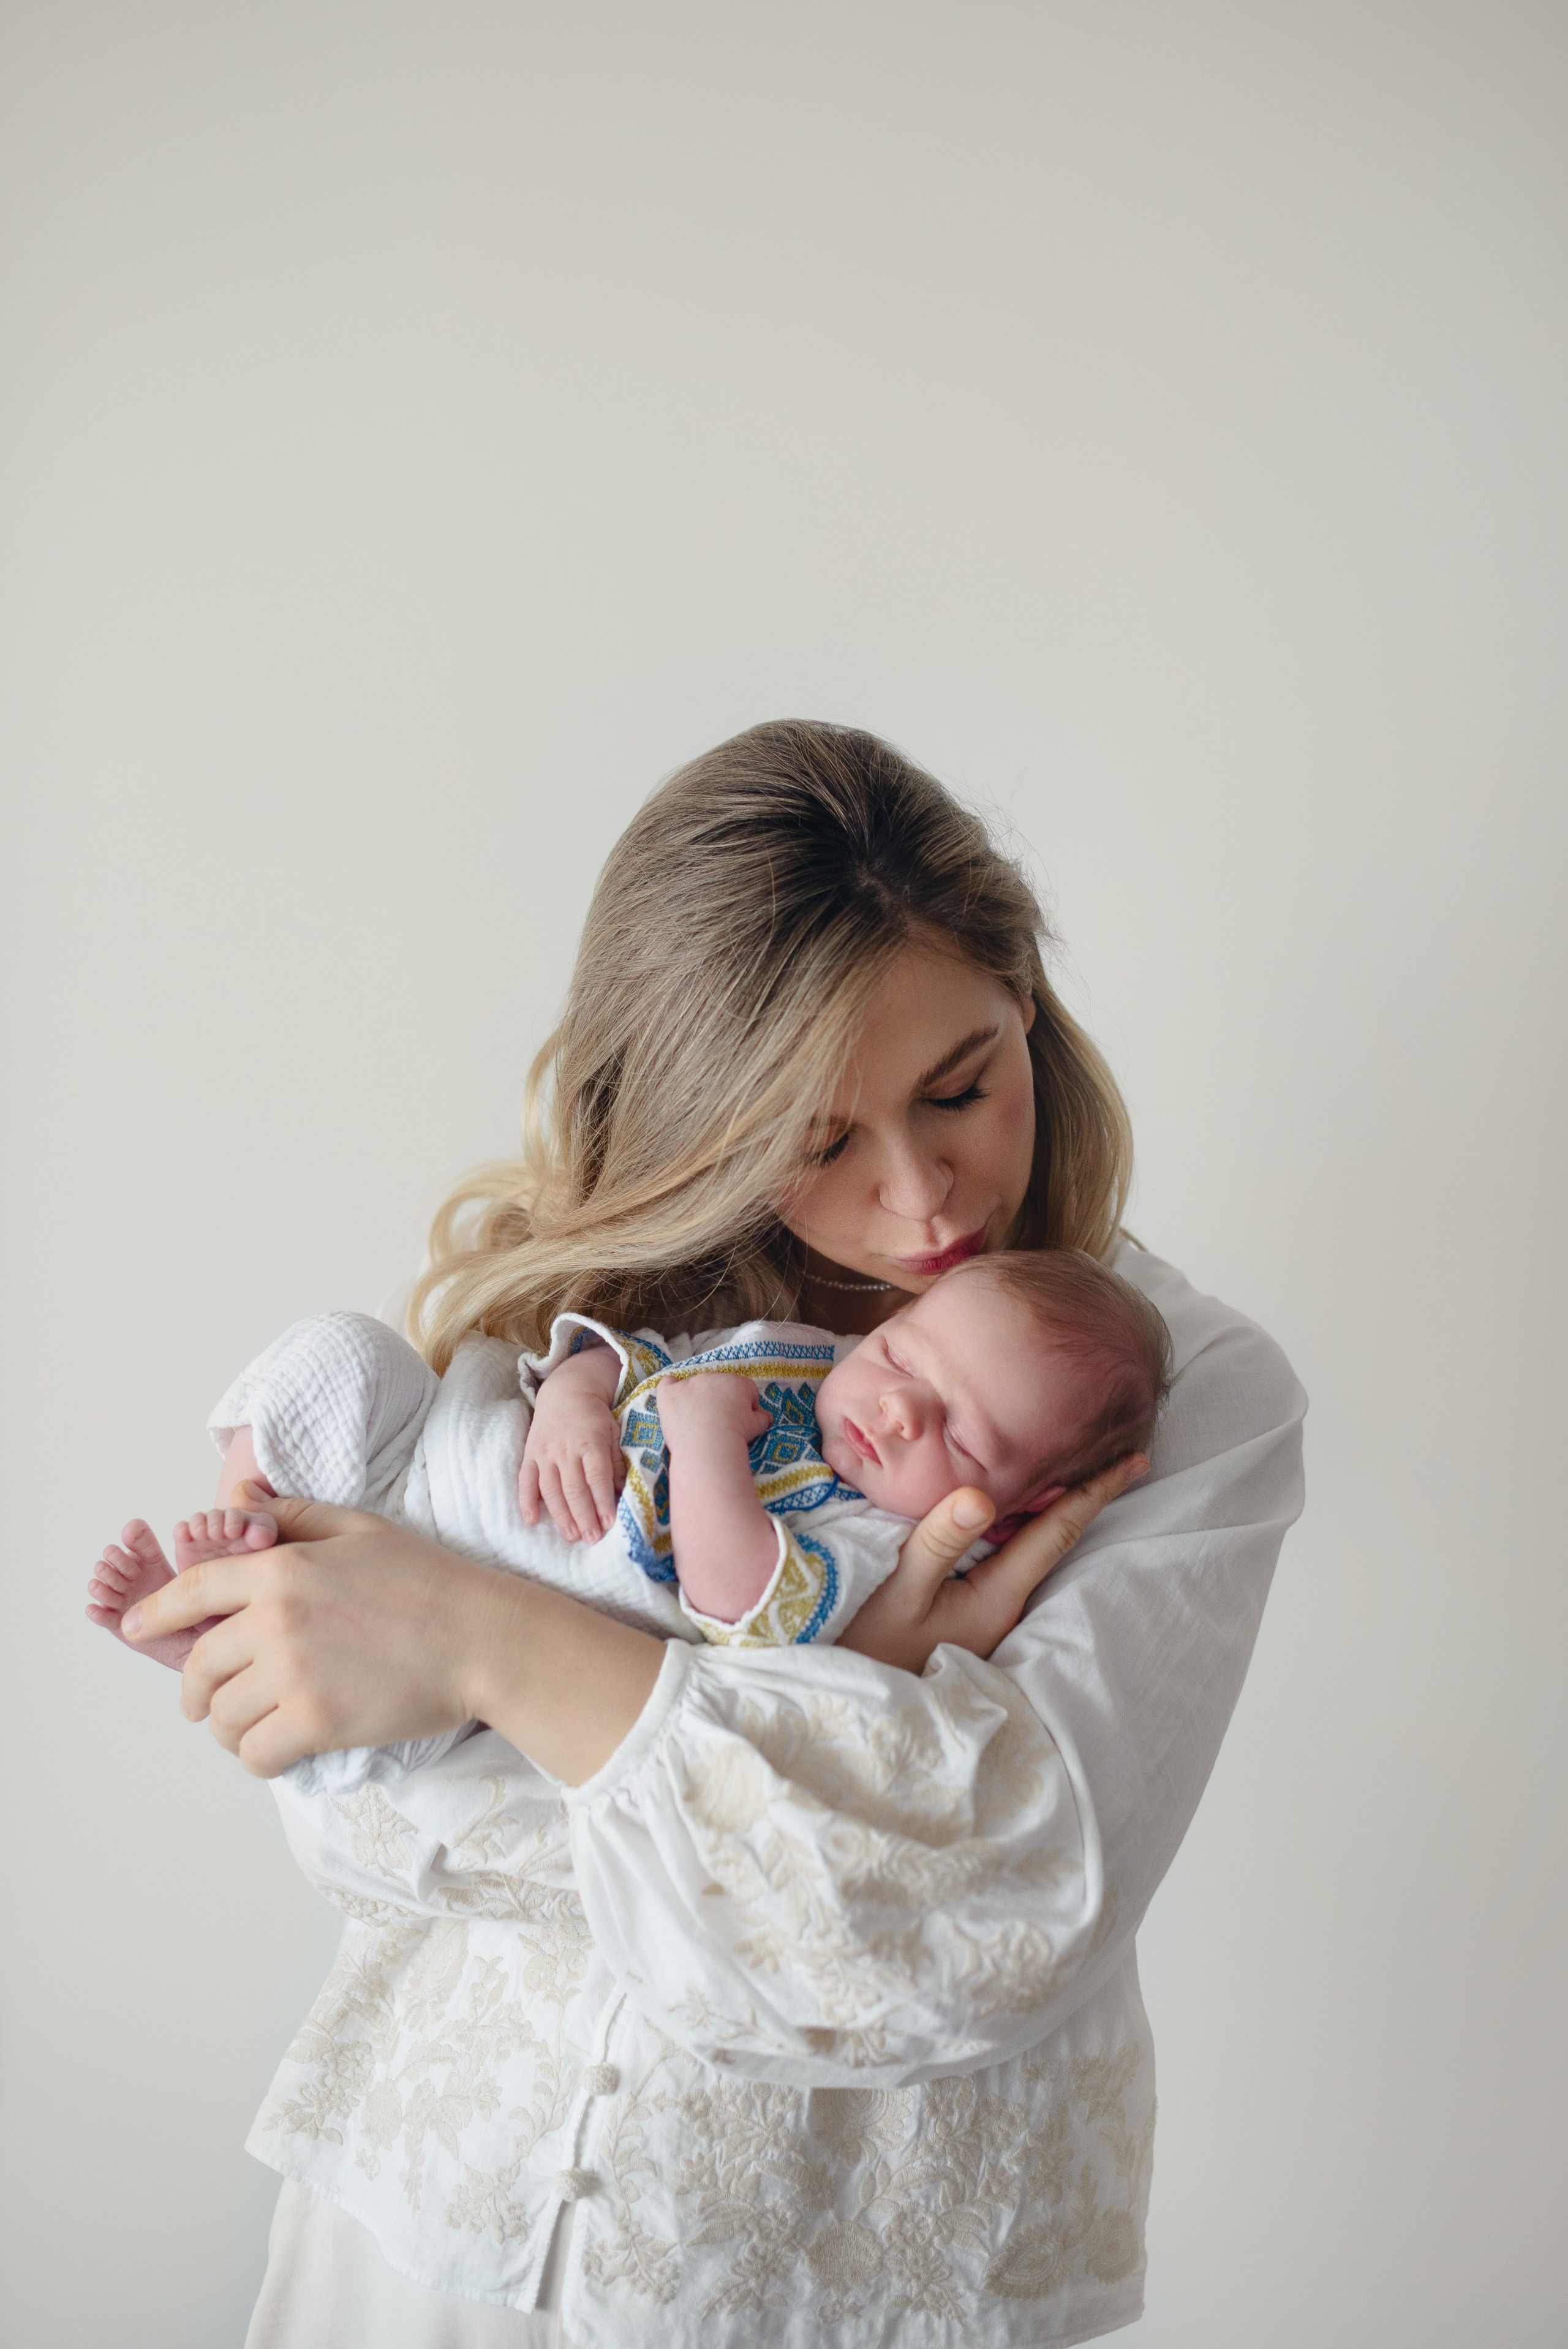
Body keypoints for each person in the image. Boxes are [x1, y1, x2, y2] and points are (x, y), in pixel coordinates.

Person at [122, 720, 1306, 2349]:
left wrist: (475, 1639)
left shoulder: (1165, 1403)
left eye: (964, 1083)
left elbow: (978, 1918)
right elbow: (369, 1831)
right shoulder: (599, 1341)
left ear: (1027, 997)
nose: (925, 1195)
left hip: (830, 2289)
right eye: (817, 1141)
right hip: (421, 2240)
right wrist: (844, 1731)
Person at [88, 1246, 1172, 1788]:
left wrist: (704, 1443)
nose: (892, 1411)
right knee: (342, 1352)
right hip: (445, 1451)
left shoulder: (885, 1538)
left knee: (386, 1729)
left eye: (960, 1434)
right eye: (902, 1355)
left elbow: (749, 1607)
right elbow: (649, 1354)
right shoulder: (811, 1355)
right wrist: (576, 1390)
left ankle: (203, 1633)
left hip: (487, 1596)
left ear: (1014, 1501)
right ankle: (248, 1526)